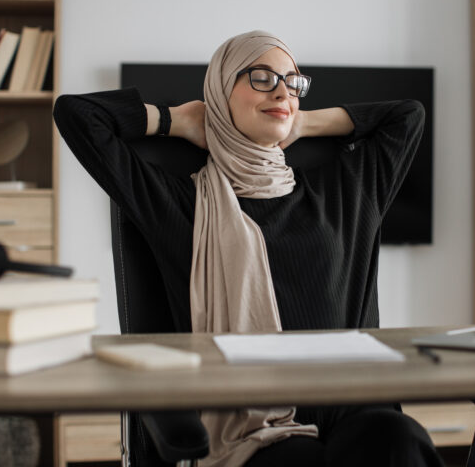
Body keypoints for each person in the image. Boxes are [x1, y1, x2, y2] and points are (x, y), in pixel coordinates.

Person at [53, 30, 442, 467]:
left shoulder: (345, 191)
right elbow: (76, 114)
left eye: (293, 81)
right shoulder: (181, 205)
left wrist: (305, 122)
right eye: (261, 77)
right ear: (221, 93)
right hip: (259, 435)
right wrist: (176, 120)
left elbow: (408, 116)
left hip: (355, 411)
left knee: (401, 438)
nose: (282, 90)